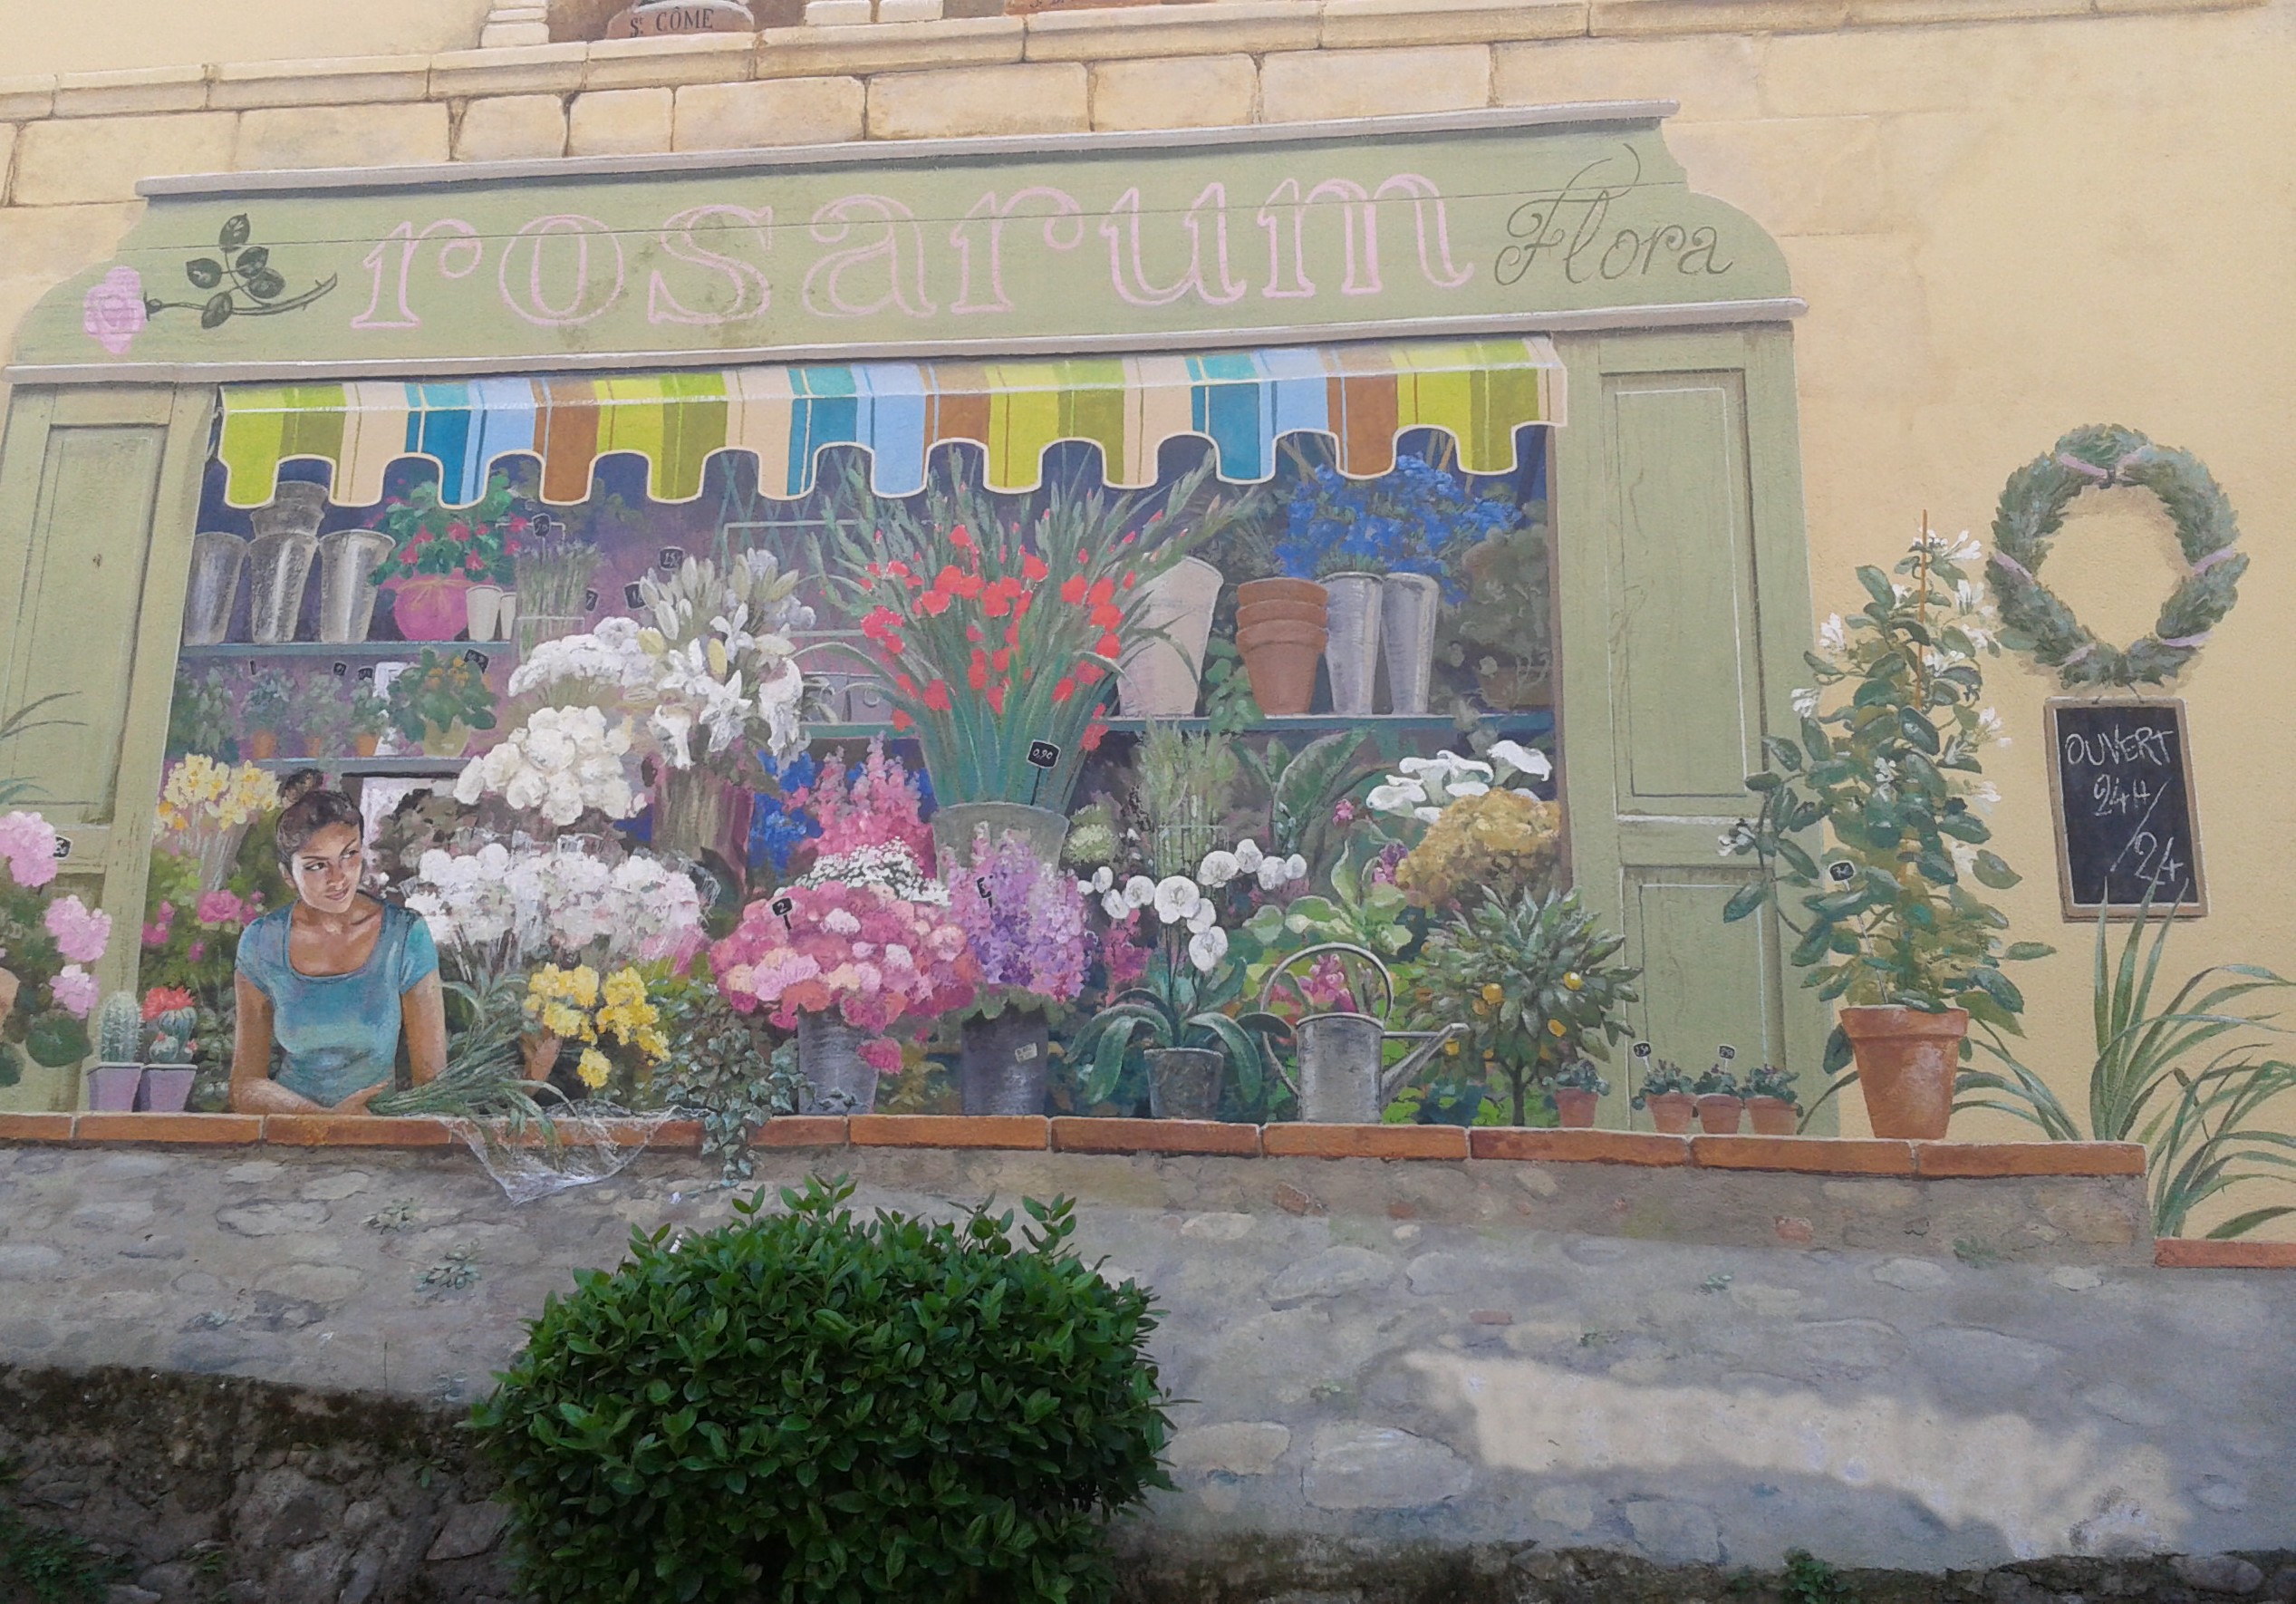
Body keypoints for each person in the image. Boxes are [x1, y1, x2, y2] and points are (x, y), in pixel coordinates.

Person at [230, 772, 446, 1115]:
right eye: (317, 866)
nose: (338, 878)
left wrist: (372, 1125)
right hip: (291, 1129)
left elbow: (432, 1082)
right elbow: (245, 1085)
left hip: (379, 1131)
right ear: (288, 876)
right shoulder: (262, 941)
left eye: (349, 855)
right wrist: (321, 1120)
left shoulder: (404, 936)